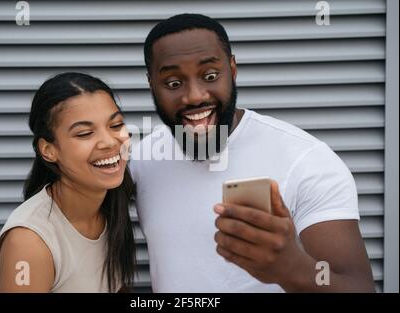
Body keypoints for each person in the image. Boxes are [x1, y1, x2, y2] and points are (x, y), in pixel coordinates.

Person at [130, 14, 375, 292]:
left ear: (232, 70)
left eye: (210, 76)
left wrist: (293, 268)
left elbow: (358, 286)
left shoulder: (307, 159)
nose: (194, 96)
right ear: (151, 84)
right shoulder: (141, 159)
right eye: (173, 83)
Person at [0, 72, 135, 292]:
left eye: (116, 125)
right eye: (85, 133)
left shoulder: (111, 203)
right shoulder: (28, 242)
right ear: (49, 150)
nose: (110, 141)